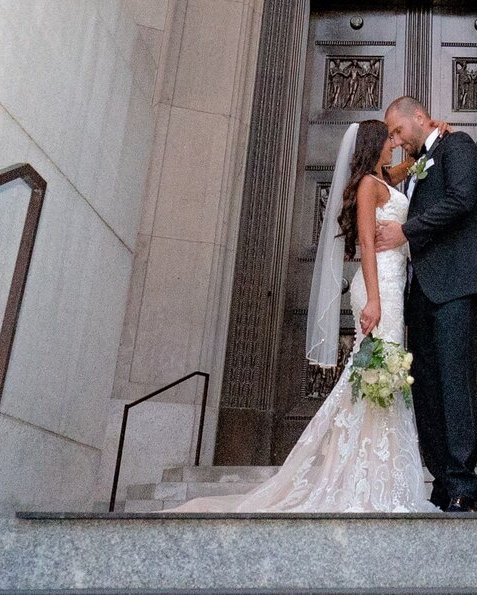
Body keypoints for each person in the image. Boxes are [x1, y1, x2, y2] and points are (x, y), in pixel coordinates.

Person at [176, 118, 434, 513]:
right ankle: (370, 479)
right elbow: (366, 240)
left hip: (393, 284)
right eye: (389, 139)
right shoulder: (368, 186)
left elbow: (407, 168)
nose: (394, 144)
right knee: (377, 371)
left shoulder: (383, 180)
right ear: (373, 144)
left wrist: (434, 140)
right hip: (378, 284)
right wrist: (374, 300)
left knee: (382, 374)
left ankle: (379, 474)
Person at [378, 95, 477, 512]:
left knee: (454, 383)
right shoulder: (414, 165)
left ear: (420, 118)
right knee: (426, 390)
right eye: (390, 135)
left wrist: (407, 232)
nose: (395, 140)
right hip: (421, 293)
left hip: (455, 285)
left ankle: (464, 483)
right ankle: (442, 479)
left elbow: (462, 200)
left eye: (397, 130)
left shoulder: (459, 146)